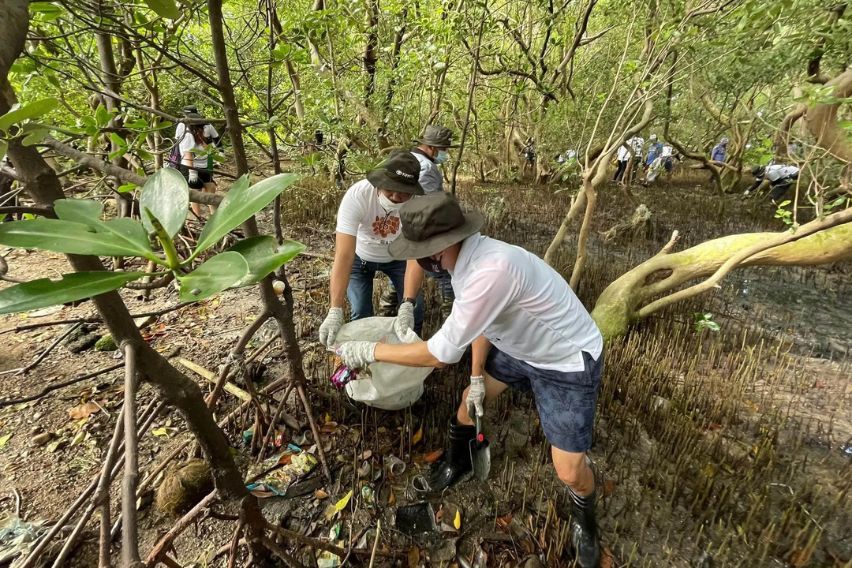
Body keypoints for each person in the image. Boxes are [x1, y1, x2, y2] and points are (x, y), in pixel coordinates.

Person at [335, 193, 605, 567]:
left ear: (440, 248)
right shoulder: (466, 262)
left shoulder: (491, 270)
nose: (419, 262)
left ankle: (585, 516)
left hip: (566, 360)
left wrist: (370, 352)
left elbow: (440, 354)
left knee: (569, 470)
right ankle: (457, 463)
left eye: (421, 253)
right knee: (466, 405)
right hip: (519, 347)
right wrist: (477, 376)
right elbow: (483, 323)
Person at [318, 151, 426, 349]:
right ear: (380, 182)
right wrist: (335, 309)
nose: (395, 196)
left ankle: (409, 354)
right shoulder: (357, 196)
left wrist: (408, 303)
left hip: (399, 257)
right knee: (360, 312)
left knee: (416, 310)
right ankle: (364, 362)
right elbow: (344, 255)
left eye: (403, 192)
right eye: (390, 189)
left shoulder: (418, 205)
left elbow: (415, 255)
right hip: (361, 258)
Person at [178, 122, 217, 218]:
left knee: (210, 186)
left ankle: (215, 215)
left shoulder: (206, 127)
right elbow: (188, 154)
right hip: (189, 166)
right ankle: (197, 218)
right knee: (195, 192)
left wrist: (213, 158)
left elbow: (212, 144)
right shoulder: (187, 134)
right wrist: (192, 171)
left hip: (204, 164)